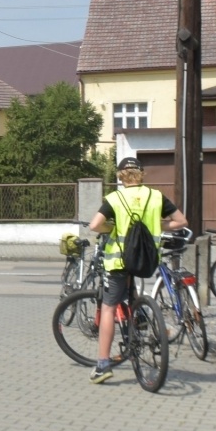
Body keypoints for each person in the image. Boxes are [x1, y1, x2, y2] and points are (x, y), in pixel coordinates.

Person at [84, 157, 187, 384]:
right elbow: (181, 221)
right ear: (141, 175)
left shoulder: (115, 198)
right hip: (146, 260)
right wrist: (156, 225)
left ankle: (102, 365)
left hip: (119, 261)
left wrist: (111, 228)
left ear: (121, 176)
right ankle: (139, 320)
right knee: (133, 296)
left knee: (109, 308)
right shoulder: (156, 196)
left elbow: (94, 226)